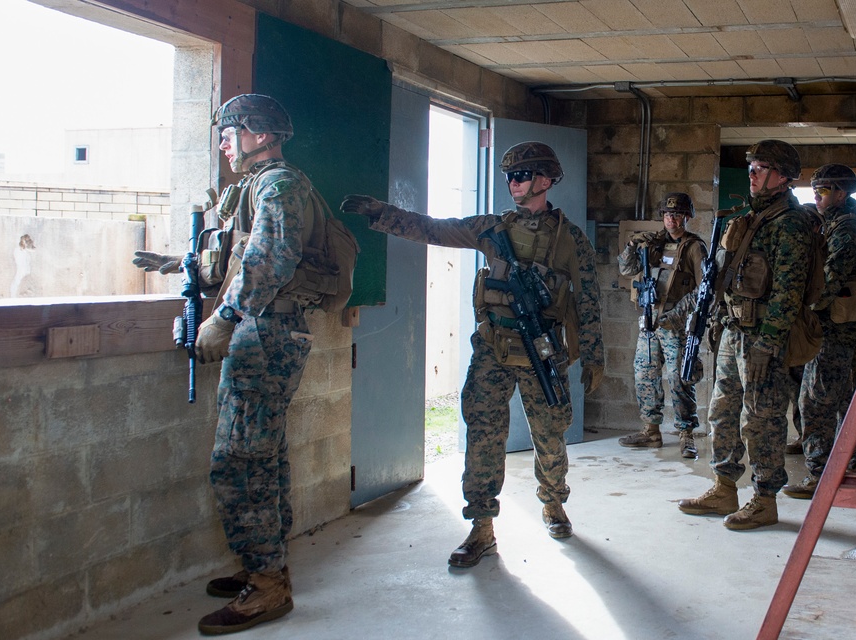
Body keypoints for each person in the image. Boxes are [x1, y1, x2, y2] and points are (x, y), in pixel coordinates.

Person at [340, 142, 604, 567]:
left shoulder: (571, 240)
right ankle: (481, 526)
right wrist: (381, 213)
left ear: (544, 179)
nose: (513, 183)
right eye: (509, 177)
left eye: (521, 175)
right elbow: (433, 228)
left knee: (551, 436)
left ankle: (553, 503)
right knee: (482, 435)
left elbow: (588, 300)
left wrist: (594, 357)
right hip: (493, 349)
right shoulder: (490, 229)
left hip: (542, 352)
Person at [163, 94, 314, 635]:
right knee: (264, 454)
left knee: (238, 460)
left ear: (260, 134)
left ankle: (268, 585)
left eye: (231, 132)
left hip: (265, 332)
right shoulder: (250, 190)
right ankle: (266, 562)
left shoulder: (278, 185)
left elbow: (271, 258)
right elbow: (237, 253)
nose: (224, 143)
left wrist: (223, 318)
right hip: (262, 330)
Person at [677, 140, 813, 530]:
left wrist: (769, 344)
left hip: (764, 339)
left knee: (763, 418)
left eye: (761, 167)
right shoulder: (749, 218)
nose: (751, 173)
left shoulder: (790, 223)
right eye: (751, 167)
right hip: (735, 331)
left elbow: (789, 291)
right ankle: (724, 487)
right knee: (721, 412)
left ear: (784, 176)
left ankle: (765, 498)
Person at [783, 164, 856, 499]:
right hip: (840, 331)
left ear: (841, 193)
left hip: (834, 332)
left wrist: (794, 304)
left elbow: (826, 284)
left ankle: (819, 475)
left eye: (821, 191)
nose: (816, 197)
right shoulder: (838, 225)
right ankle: (854, 462)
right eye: (814, 190)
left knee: (814, 404)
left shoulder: (846, 231)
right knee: (840, 402)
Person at [617, 193, 707, 458]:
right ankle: (651, 431)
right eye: (667, 214)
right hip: (649, 321)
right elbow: (626, 269)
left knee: (680, 379)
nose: (671, 219)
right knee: (645, 376)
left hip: (675, 324)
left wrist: (678, 314)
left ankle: (686, 434)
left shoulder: (693, 247)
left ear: (687, 217)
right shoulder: (652, 244)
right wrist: (632, 246)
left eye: (677, 214)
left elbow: (704, 289)